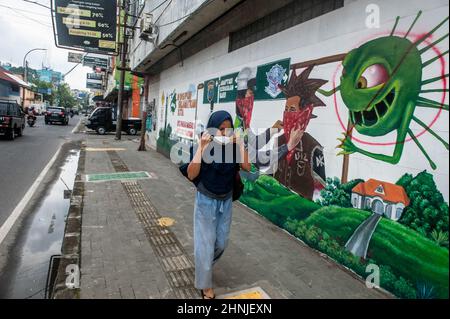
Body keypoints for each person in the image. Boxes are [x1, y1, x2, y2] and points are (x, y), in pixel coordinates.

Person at [187, 110, 251, 299]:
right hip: (205, 201)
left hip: (226, 201)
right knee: (205, 245)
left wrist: (239, 143)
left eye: (228, 129)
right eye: (220, 129)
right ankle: (205, 285)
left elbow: (247, 167)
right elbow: (191, 174)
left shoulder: (233, 147)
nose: (224, 133)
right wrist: (201, 148)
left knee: (221, 243)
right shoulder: (204, 145)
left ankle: (203, 266)